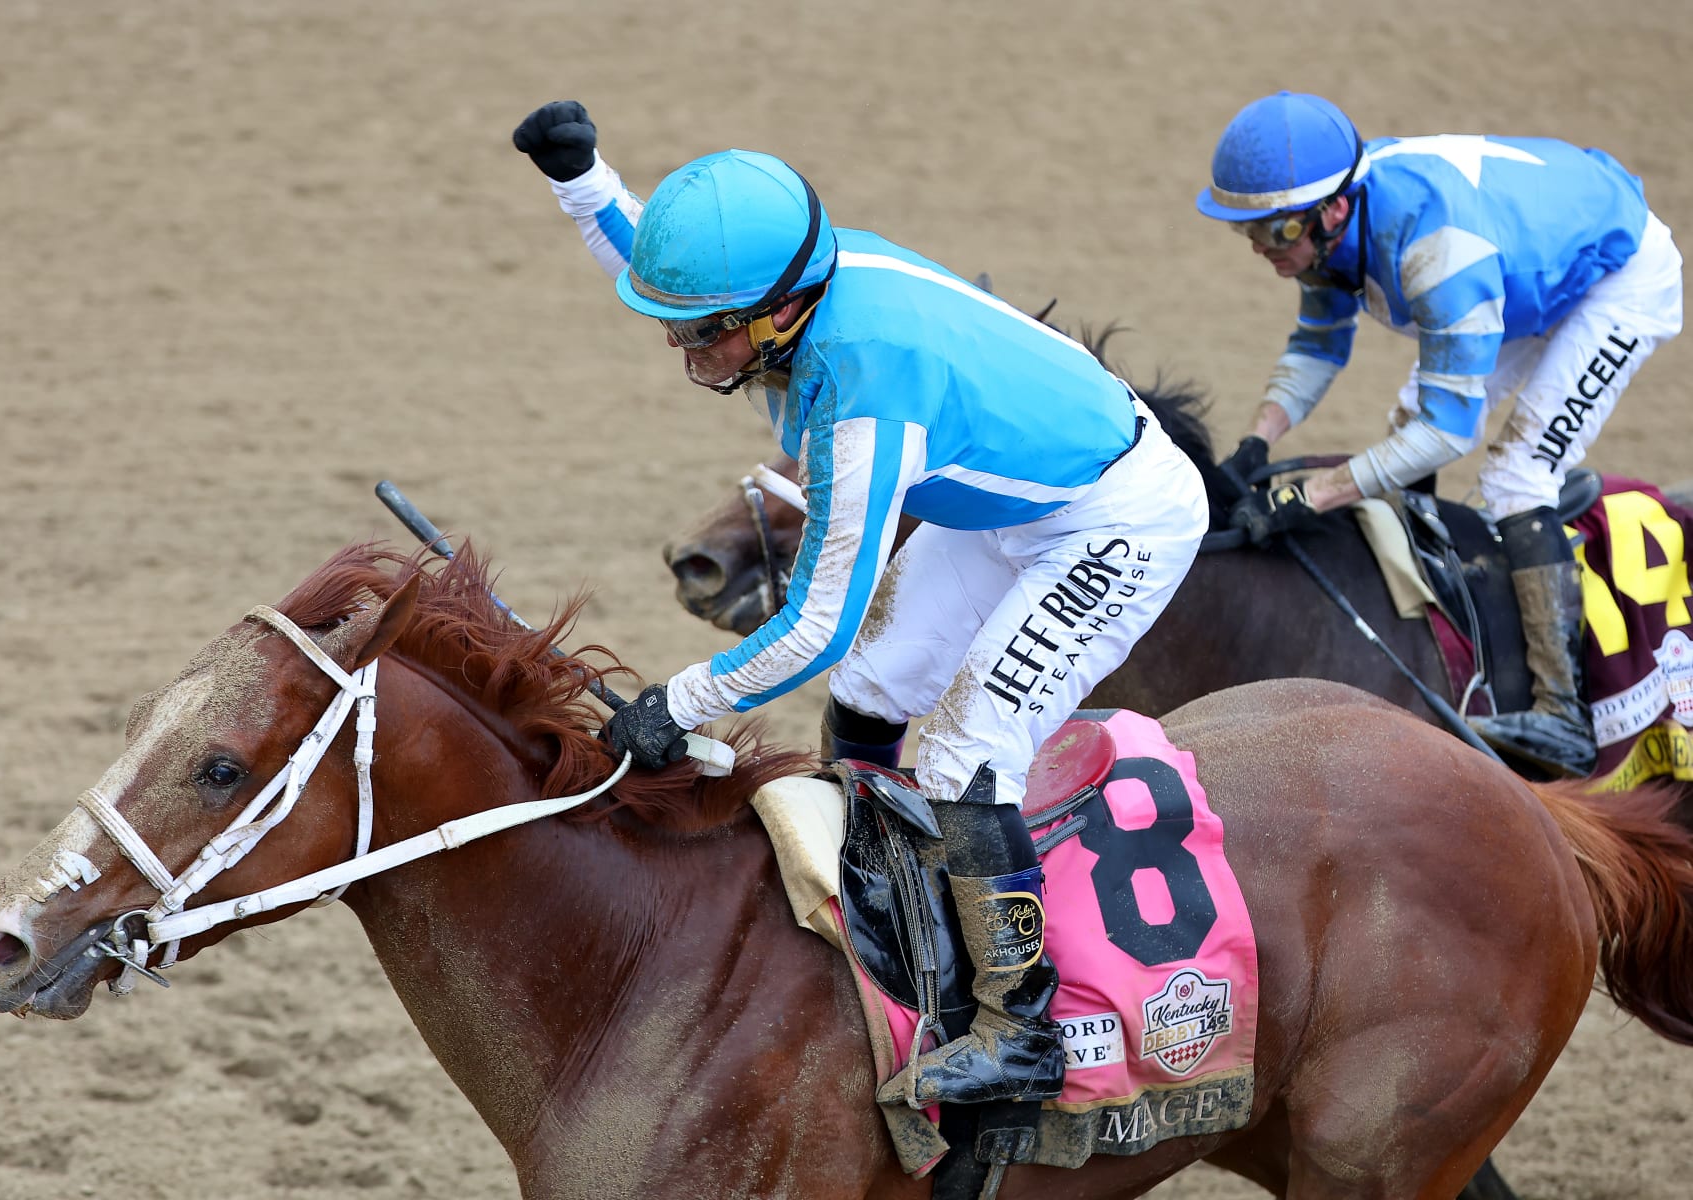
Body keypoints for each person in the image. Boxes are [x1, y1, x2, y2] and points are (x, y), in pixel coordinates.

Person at [513, 101, 1209, 1108]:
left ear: (780, 314)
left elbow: (815, 620)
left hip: (1115, 522)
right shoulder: (792, 281)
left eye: (704, 337)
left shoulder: (863, 397)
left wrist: (680, 703)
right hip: (1008, 500)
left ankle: (1023, 1026)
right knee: (876, 683)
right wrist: (580, 179)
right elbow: (668, 271)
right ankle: (884, 891)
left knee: (972, 749)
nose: (682, 351)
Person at [1196, 92, 1684, 779]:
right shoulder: (1329, 230)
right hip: (1525, 264)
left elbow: (1448, 433)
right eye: (1248, 231)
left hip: (1613, 281)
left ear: (1333, 210)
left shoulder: (1436, 252)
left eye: (1275, 233)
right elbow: (1317, 345)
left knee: (1517, 473)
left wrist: (1313, 494)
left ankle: (1562, 714)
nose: (1261, 248)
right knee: (1403, 427)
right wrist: (1256, 442)